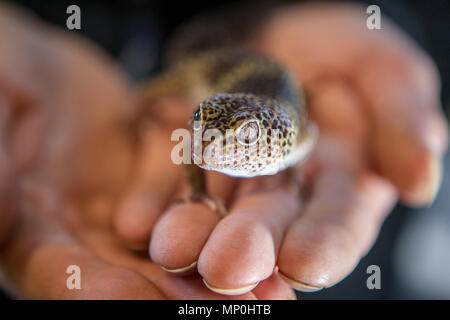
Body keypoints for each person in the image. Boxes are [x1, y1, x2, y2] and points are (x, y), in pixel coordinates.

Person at [0, 1, 447, 299]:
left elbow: (308, 135)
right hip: (208, 67)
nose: (206, 148)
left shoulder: (298, 140)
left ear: (275, 140)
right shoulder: (206, 126)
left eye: (244, 138)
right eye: (200, 132)